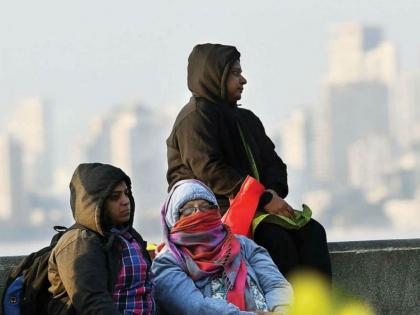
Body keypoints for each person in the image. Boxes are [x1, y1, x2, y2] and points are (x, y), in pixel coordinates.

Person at [166, 43, 332, 281]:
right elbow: (210, 171)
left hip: (257, 208)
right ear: (214, 77)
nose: (243, 80)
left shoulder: (246, 119)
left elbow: (274, 164)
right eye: (235, 74)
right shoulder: (195, 119)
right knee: (274, 237)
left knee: (312, 231)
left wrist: (272, 193)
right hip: (214, 215)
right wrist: (263, 198)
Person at [152, 179, 293, 315]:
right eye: (188, 210)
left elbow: (276, 284)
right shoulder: (167, 262)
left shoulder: (243, 245)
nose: (199, 213)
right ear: (173, 218)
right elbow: (196, 308)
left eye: (206, 206)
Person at [48, 163, 155, 315]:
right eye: (115, 197)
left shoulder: (128, 235)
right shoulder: (79, 242)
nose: (125, 201)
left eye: (126, 193)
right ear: (96, 204)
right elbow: (93, 304)